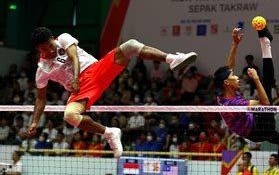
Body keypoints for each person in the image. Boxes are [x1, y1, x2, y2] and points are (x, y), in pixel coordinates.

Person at [27, 27, 197, 159]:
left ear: (52, 39)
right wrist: (35, 121)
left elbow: (74, 58)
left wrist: (76, 78)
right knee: (70, 115)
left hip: (96, 70)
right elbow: (41, 98)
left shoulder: (63, 38)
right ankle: (109, 132)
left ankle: (172, 59)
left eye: (50, 45)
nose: (49, 50)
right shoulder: (42, 69)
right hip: (82, 88)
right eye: (44, 49)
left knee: (130, 45)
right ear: (37, 49)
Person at [214, 26, 279, 175]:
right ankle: (265, 43)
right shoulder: (233, 104)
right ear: (227, 83)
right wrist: (256, 79)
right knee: (267, 85)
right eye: (233, 77)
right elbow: (265, 103)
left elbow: (228, 67)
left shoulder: (221, 95)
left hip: (255, 124)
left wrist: (234, 44)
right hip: (257, 129)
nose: (237, 77)